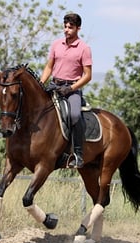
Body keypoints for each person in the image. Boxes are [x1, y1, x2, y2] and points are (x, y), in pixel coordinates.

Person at [40, 13, 92, 168]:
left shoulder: (84, 48)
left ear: (78, 28)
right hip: (54, 85)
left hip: (72, 89)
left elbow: (88, 76)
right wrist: (41, 83)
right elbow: (49, 67)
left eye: (70, 27)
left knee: (74, 115)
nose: (66, 30)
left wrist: (71, 88)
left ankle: (77, 154)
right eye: (65, 26)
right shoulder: (56, 44)